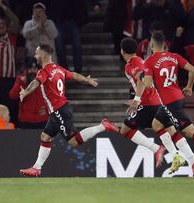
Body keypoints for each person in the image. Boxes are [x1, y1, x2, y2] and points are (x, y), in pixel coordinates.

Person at [19, 44, 119, 177]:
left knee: (73, 141)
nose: (35, 56)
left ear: (43, 56)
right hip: (57, 111)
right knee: (45, 136)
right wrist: (86, 80)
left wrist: (25, 92)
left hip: (59, 111)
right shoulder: (58, 69)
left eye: (37, 53)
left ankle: (103, 126)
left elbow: (36, 83)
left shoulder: (44, 71)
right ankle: (36, 168)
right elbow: (74, 75)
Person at [128, 32, 194, 177]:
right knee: (157, 124)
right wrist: (188, 87)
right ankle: (193, 162)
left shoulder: (149, 61)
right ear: (165, 45)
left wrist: (141, 76)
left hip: (170, 103)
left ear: (151, 44)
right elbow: (193, 70)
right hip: (178, 98)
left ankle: (192, 160)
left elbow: (148, 84)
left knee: (190, 131)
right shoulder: (174, 56)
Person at [9, 57, 48, 129]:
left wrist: (46, 110)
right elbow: (12, 96)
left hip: (42, 119)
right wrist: (21, 83)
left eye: (35, 69)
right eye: (30, 69)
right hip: (25, 120)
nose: (33, 71)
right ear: (27, 69)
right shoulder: (21, 79)